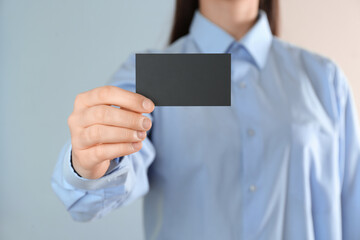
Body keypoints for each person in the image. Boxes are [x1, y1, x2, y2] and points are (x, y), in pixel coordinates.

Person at [51, 0, 360, 239]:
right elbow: (97, 190)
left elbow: (352, 210)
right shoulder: (161, 77)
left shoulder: (323, 79)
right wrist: (90, 162)